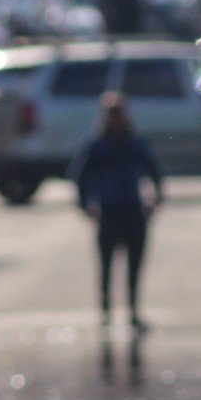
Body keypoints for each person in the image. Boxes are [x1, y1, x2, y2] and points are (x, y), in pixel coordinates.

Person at [70, 93, 164, 332]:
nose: (116, 119)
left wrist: (155, 200)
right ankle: (105, 312)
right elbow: (80, 176)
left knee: (134, 268)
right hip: (109, 212)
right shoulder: (96, 145)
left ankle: (133, 311)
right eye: (111, 114)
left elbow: (155, 172)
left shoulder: (136, 142)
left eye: (118, 113)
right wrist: (85, 205)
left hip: (133, 210)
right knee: (106, 268)